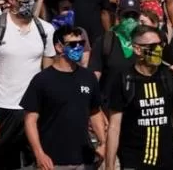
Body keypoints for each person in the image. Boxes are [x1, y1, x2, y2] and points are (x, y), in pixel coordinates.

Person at [0, 0, 56, 170]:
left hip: (34, 110)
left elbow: (48, 74)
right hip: (3, 108)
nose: (30, 1)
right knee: (3, 164)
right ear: (11, 0)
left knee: (40, 162)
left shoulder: (46, 30)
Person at [21, 25, 108, 170]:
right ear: (59, 47)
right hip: (52, 161)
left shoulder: (88, 77)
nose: (79, 48)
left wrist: (103, 143)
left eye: (82, 44)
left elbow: (95, 112)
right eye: (73, 44)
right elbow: (30, 120)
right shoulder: (42, 80)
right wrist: (39, 154)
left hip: (84, 160)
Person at [105, 24, 173, 170]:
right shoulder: (124, 79)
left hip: (166, 163)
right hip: (133, 162)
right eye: (152, 47)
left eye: (160, 45)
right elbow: (114, 126)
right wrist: (109, 165)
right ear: (137, 49)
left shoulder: (169, 77)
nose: (158, 50)